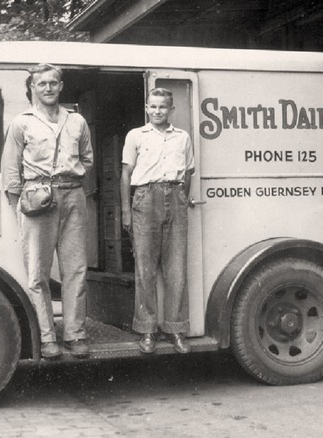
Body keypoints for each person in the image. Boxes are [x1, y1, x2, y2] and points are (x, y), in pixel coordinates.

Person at [1, 64, 94, 359]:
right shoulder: (22, 123)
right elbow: (10, 168)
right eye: (42, 84)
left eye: (53, 83)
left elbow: (88, 160)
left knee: (76, 270)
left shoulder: (77, 121)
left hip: (72, 195)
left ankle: (75, 334)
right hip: (36, 197)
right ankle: (46, 337)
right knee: (37, 273)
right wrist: (20, 205)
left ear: (61, 86)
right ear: (33, 87)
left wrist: (70, 180)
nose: (48, 88)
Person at [120, 88, 194, 354]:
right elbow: (126, 174)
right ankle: (147, 331)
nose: (158, 111)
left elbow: (188, 172)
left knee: (176, 269)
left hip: (174, 196)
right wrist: (126, 211)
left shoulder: (183, 137)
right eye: (153, 106)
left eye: (163, 107)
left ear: (171, 110)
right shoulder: (135, 136)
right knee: (145, 269)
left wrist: (181, 199)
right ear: (147, 108)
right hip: (145, 198)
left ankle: (175, 330)